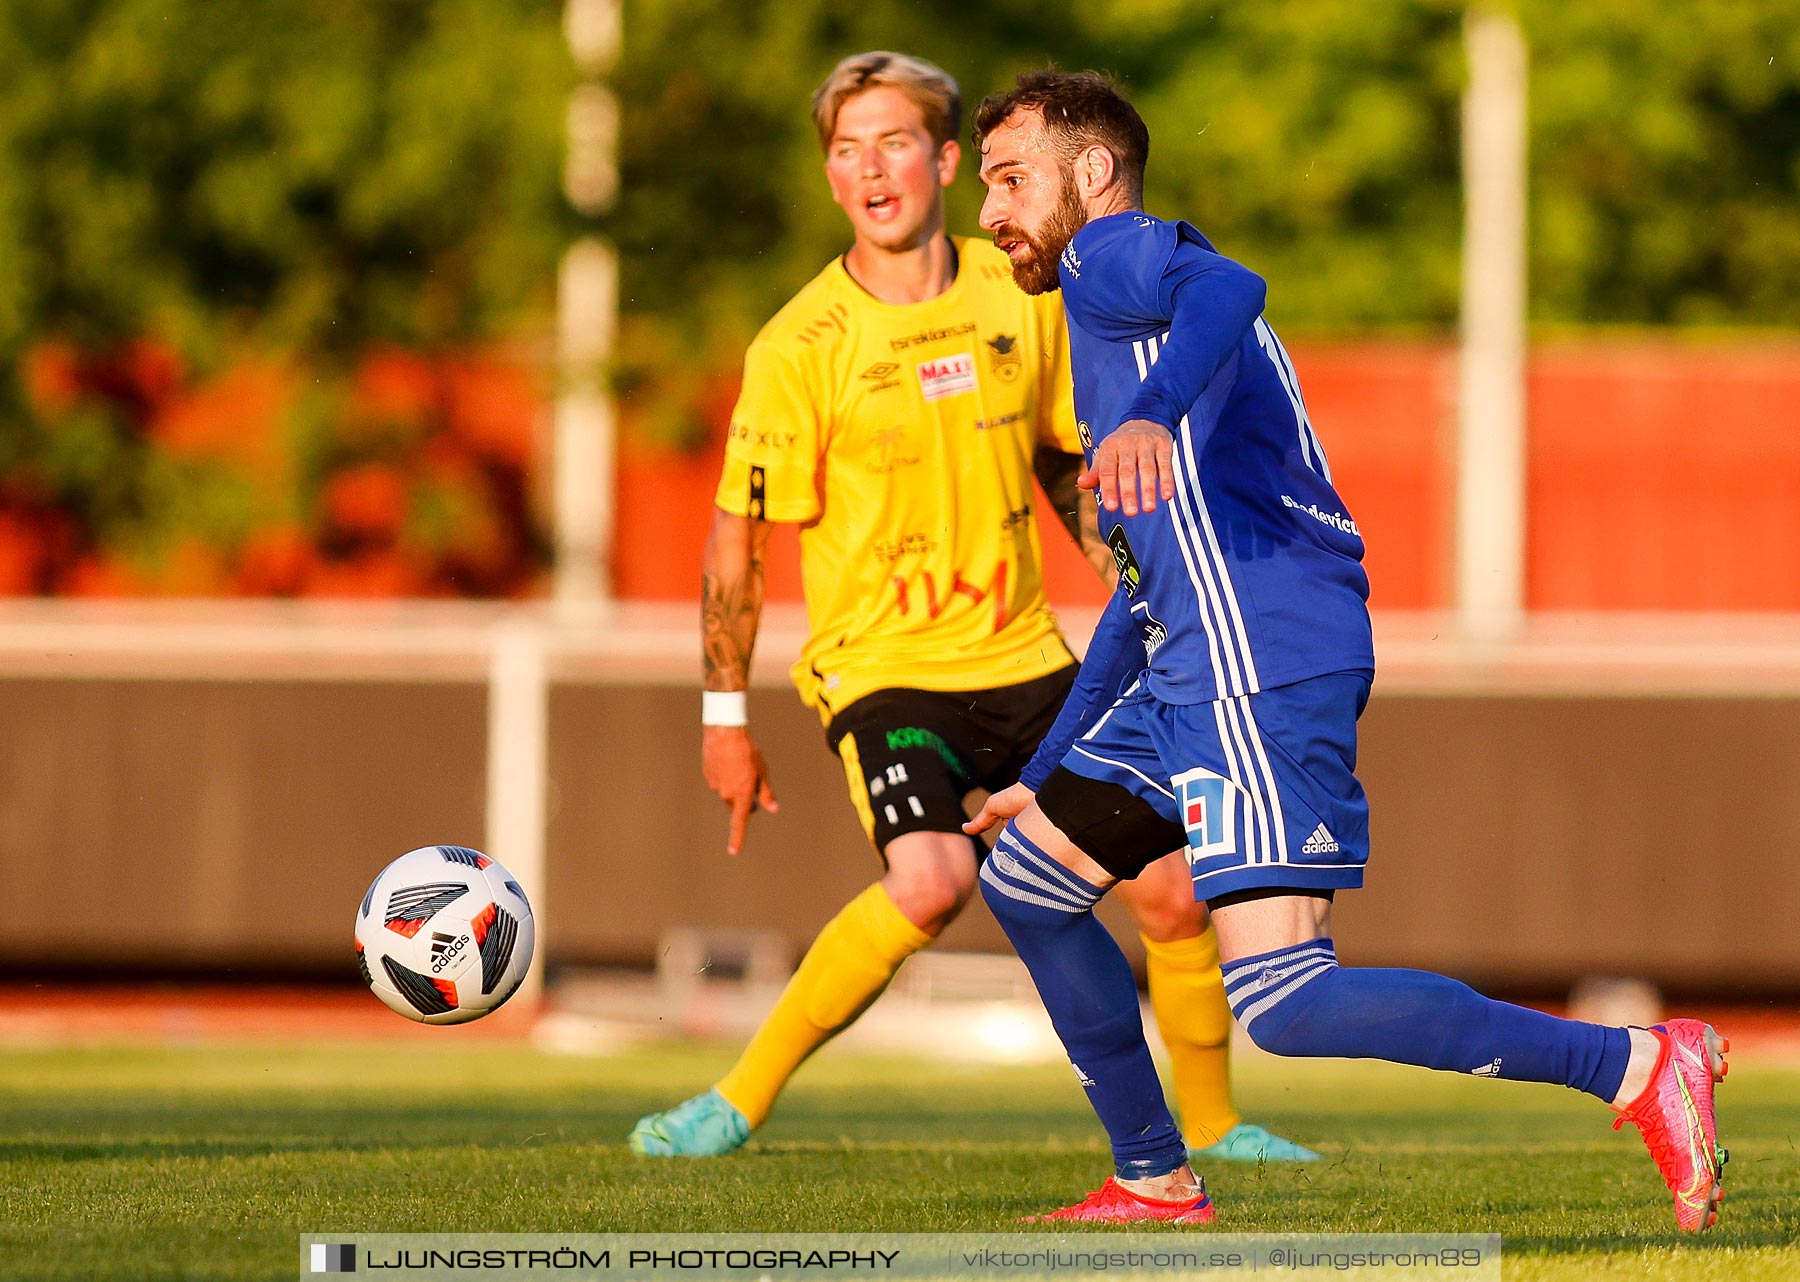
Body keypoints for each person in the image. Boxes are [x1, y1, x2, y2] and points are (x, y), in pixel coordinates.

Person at [962, 69, 1727, 1230]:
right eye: (988, 187)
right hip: (1190, 668)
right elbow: (1140, 590)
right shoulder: (1116, 325)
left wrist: (1150, 410)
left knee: (1287, 999)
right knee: (1029, 880)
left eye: (1011, 179)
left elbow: (1233, 281)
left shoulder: (1108, 262)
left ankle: (1633, 1065)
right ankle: (1153, 1179)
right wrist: (1042, 767)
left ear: (1094, 172)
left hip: (1254, 660)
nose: (991, 212)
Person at [627, 51, 1315, 1165]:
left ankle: (1218, 1128)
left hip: (1027, 658)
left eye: (891, 141)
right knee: (936, 878)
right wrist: (723, 720)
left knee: (1177, 888)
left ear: (947, 161)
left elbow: (1067, 469)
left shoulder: (1022, 296)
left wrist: (1156, 594)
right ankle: (738, 1098)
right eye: (845, 150)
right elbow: (735, 544)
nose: (868, 169)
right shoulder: (798, 347)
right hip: (885, 670)